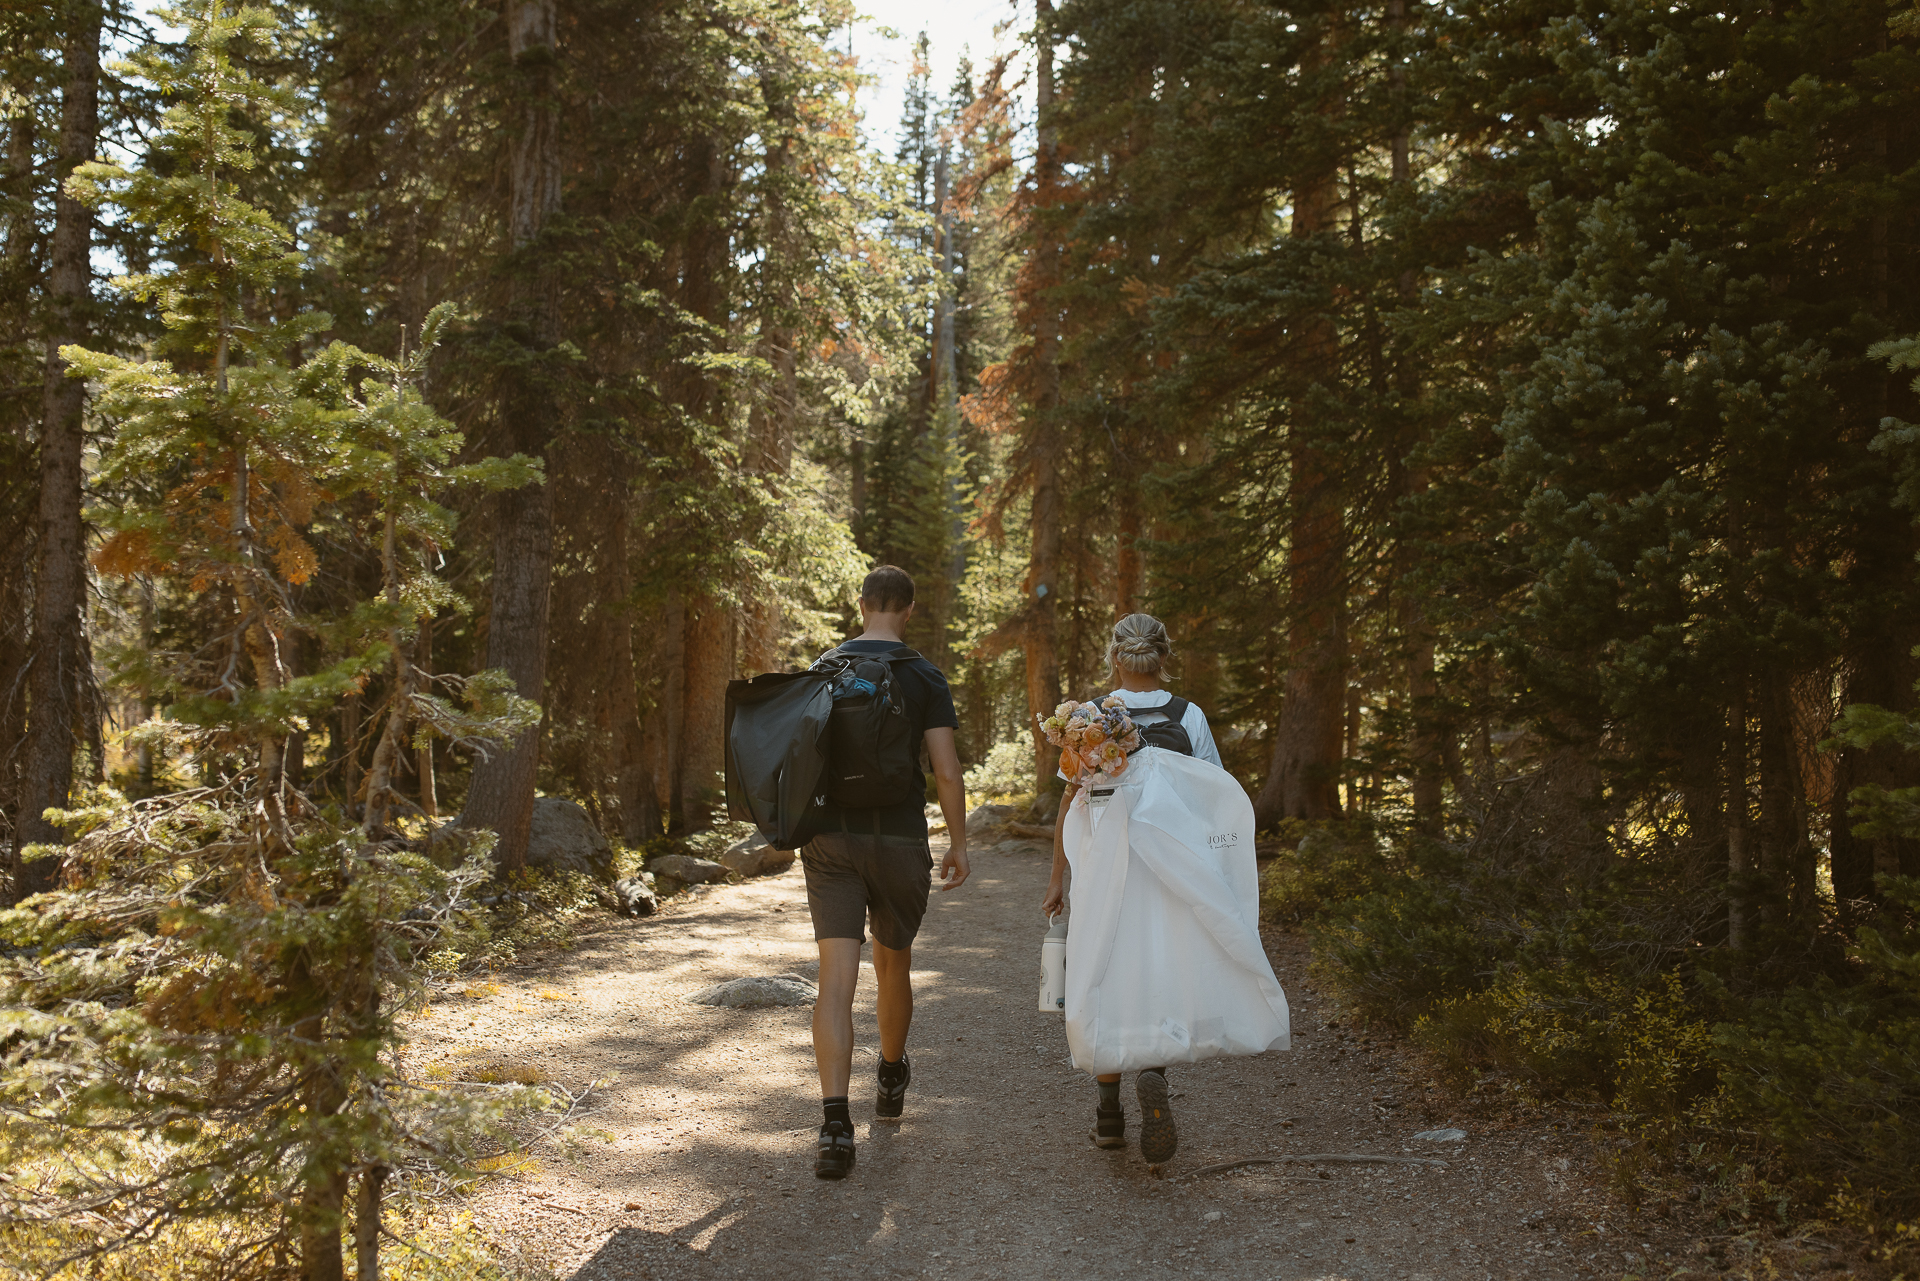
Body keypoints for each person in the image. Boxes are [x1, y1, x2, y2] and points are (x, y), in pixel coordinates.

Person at [1040, 612, 1288, 1166]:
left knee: (1103, 967)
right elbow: (1213, 792)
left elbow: (1070, 800)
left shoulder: (1091, 719)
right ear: (1165, 657)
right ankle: (1153, 1073)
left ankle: (1108, 1114)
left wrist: (1058, 876)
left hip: (1109, 867)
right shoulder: (1188, 716)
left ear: (1114, 659)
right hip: (1173, 869)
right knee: (1157, 969)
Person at [802, 565, 970, 1180]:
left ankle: (834, 1124)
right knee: (892, 960)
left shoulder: (825, 669)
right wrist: (957, 840)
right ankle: (892, 1075)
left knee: (835, 978)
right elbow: (946, 771)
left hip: (830, 843)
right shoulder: (925, 676)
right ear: (909, 609)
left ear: (863, 603)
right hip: (898, 839)